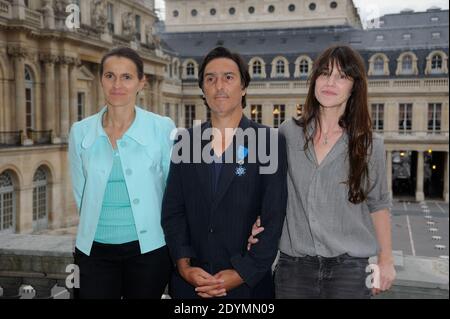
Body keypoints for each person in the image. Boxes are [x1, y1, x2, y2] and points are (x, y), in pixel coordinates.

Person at [249, 45, 396, 299]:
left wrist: (386, 260)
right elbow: (272, 190)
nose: (330, 82)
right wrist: (256, 221)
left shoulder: (369, 143)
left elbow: (378, 204)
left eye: (342, 76)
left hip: (348, 269)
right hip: (294, 266)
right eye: (325, 73)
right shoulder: (288, 132)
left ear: (354, 87)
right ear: (314, 79)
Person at [161, 46, 287, 299]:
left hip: (246, 287)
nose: (219, 85)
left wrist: (241, 273)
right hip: (190, 286)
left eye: (228, 77)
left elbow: (273, 218)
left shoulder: (268, 141)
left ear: (243, 87)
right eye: (210, 79)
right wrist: (185, 267)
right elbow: (173, 212)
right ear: (203, 90)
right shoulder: (185, 142)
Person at [68, 47, 175, 299]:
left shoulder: (163, 128)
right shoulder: (80, 132)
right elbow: (80, 192)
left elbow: (174, 192)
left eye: (126, 77)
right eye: (109, 76)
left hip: (150, 251)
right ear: (101, 80)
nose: (117, 84)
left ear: (141, 83)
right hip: (93, 252)